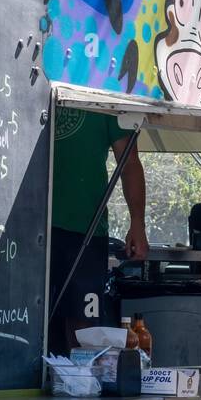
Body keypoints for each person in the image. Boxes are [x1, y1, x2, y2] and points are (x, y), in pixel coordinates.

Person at [48, 107, 147, 354]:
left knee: (83, 323)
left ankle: (81, 375)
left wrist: (137, 222)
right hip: (27, 225)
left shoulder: (105, 93)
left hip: (86, 228)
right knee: (31, 314)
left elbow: (129, 163)